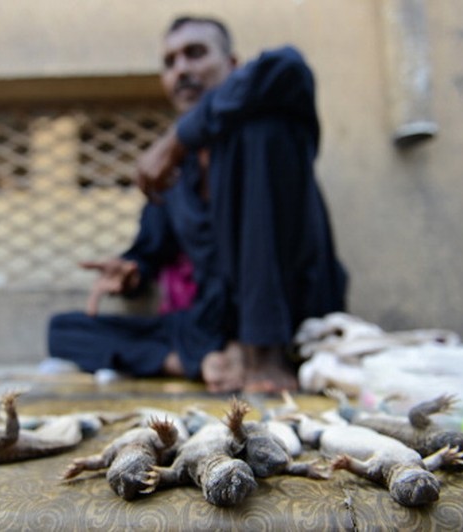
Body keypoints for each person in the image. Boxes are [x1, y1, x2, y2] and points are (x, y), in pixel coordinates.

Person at [47, 15, 347, 393]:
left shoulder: (249, 128)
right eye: (170, 63)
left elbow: (287, 65)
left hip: (293, 312)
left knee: (260, 129)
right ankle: (200, 361)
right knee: (66, 331)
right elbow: (151, 249)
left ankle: (261, 353)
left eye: (196, 54)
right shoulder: (174, 175)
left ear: (233, 65)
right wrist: (132, 272)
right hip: (213, 325)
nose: (182, 70)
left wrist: (175, 140)